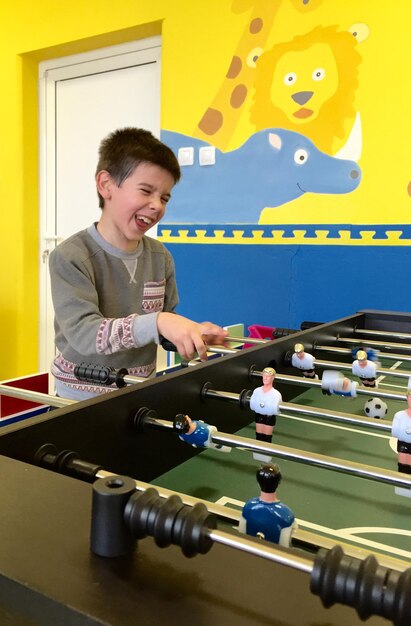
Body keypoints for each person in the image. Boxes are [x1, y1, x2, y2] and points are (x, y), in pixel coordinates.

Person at [49, 128, 227, 400]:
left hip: (139, 390)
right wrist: (159, 322)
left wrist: (191, 334)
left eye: (165, 197)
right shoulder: (71, 256)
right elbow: (85, 334)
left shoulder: (160, 256)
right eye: (146, 191)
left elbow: (163, 323)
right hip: (79, 397)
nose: (157, 205)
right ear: (106, 185)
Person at [239, 463, 296, 547]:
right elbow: (285, 547)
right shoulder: (286, 515)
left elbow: (241, 536)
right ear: (278, 483)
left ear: (258, 483)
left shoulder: (248, 507)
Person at [249, 367, 282, 462]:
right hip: (259, 416)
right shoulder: (257, 391)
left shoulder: (276, 394)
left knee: (267, 437)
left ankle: (267, 454)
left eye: (268, 376)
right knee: (259, 435)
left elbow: (277, 409)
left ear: (273, 378)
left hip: (269, 417)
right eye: (264, 376)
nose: (265, 378)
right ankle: (258, 453)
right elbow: (253, 404)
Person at [391, 389, 411, 474]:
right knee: (403, 469)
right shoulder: (399, 416)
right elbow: (394, 433)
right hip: (404, 445)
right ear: (407, 398)